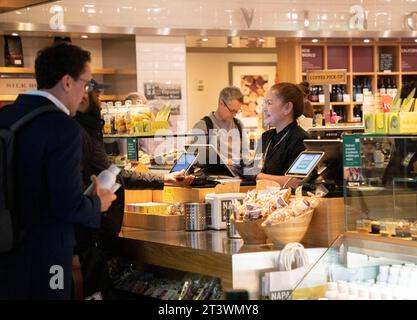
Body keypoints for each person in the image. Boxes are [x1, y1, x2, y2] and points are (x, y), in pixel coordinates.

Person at [0, 43, 116, 300]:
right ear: (67, 81)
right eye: (85, 83)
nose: (85, 93)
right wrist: (98, 203)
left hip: (7, 250)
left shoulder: (7, 116)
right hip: (46, 254)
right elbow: (66, 205)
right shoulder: (62, 128)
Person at [74, 82, 194, 298]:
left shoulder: (89, 132)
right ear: (82, 99)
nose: (101, 103)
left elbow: (116, 175)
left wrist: (164, 178)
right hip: (88, 238)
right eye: (97, 97)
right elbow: (107, 177)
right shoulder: (81, 135)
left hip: (96, 236)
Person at [244, 82, 310, 188]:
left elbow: (295, 182)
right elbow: (253, 169)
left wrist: (256, 176)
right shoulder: (266, 137)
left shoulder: (301, 140)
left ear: (287, 108)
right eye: (264, 103)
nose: (264, 109)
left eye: (269, 103)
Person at [191, 86, 245, 166]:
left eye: (237, 111)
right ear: (221, 103)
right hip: (213, 175)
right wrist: (224, 162)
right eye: (232, 111)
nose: (234, 115)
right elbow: (196, 159)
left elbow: (244, 154)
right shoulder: (203, 125)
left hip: (238, 175)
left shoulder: (238, 125)